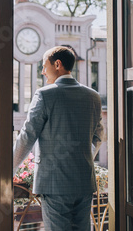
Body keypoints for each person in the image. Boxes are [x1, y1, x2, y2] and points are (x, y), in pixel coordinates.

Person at [13, 46, 105, 231]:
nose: (42, 71)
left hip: (54, 184)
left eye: (44, 66)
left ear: (57, 64)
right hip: (84, 182)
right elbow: (98, 135)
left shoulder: (45, 94)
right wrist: (85, 157)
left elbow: (27, 135)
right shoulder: (93, 96)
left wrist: (9, 168)